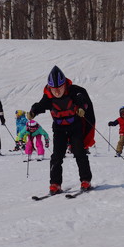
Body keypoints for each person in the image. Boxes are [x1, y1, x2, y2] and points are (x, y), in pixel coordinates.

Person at [28, 66, 94, 195]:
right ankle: (55, 184)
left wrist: (81, 108)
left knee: (79, 153)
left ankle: (86, 180)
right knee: (57, 156)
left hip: (75, 127)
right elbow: (40, 105)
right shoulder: (48, 96)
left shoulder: (74, 92)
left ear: (65, 85)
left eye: (60, 88)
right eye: (54, 89)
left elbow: (82, 99)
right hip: (59, 129)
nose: (57, 92)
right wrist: (33, 111)